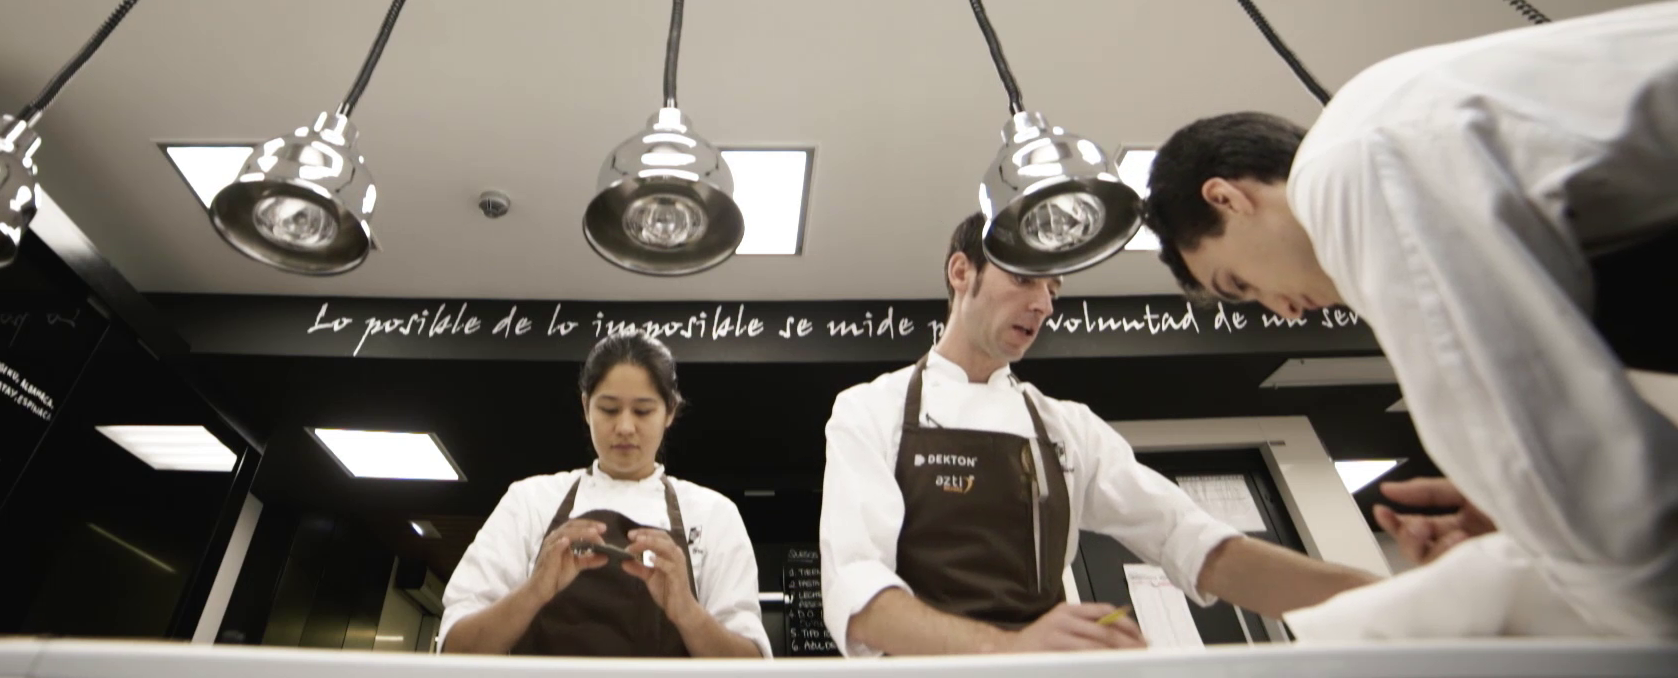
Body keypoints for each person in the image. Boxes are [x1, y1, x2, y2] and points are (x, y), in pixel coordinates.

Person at [1141, 0, 1678, 637]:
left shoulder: (1352, 168)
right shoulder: (1392, 131)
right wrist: (1518, 519)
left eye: (1239, 283)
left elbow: (1587, 500)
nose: (1279, 309)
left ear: (1227, 198)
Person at [818, 213, 1377, 656]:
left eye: (1053, 289)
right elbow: (859, 593)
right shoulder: (870, 409)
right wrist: (1009, 649)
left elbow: (1191, 540)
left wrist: (1389, 599)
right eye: (1024, 279)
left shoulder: (1067, 426)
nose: (1042, 304)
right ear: (962, 272)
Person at [438, 332, 770, 656]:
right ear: (586, 407)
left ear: (669, 411)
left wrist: (687, 611)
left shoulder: (713, 515)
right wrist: (535, 590)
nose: (625, 427)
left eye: (643, 411)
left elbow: (752, 669)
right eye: (609, 409)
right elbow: (455, 648)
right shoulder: (530, 501)